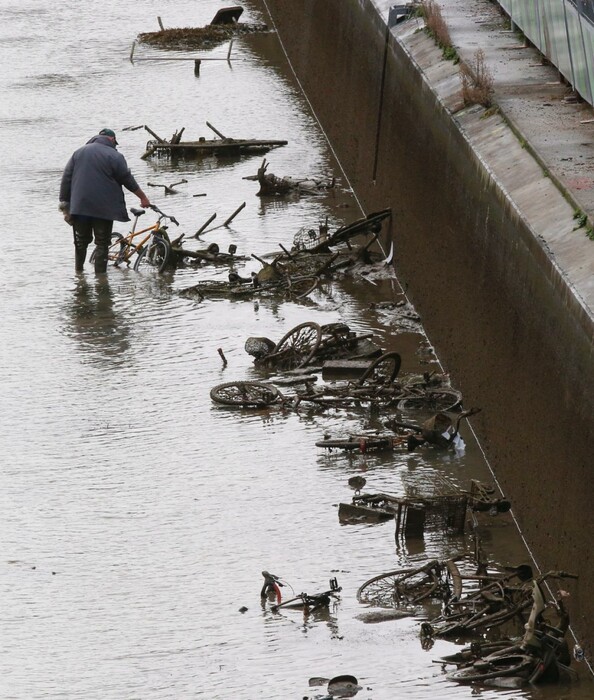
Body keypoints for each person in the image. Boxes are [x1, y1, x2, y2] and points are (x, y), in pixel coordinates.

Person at [59, 128, 151, 273]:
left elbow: (66, 179)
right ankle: (101, 280)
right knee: (102, 243)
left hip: (80, 206)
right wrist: (143, 197)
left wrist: (64, 206)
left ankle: (79, 274)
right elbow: (127, 179)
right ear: (112, 140)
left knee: (80, 242)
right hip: (103, 208)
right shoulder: (115, 156)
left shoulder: (78, 153)